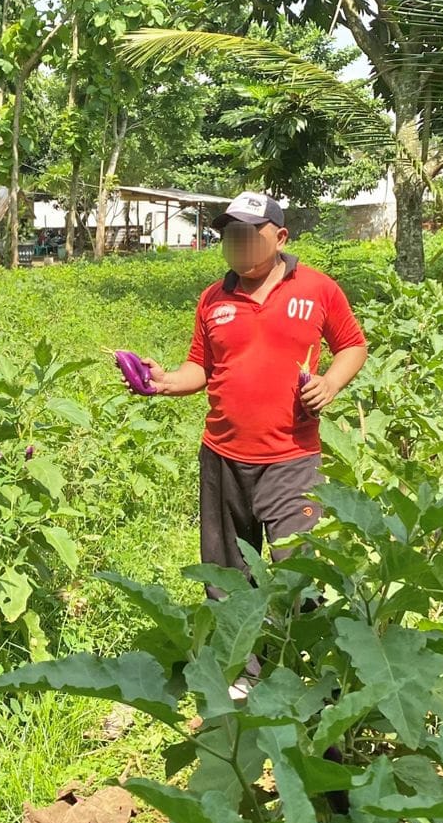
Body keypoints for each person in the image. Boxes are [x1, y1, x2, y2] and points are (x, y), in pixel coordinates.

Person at [134, 192, 368, 642]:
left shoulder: (318, 289)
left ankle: (308, 672)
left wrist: (331, 383)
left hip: (293, 457)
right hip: (222, 457)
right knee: (228, 575)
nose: (237, 242)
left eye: (248, 233)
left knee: (296, 568)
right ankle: (242, 677)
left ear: (279, 236)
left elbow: (353, 345)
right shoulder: (212, 299)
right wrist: (163, 381)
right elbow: (200, 368)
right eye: (229, 235)